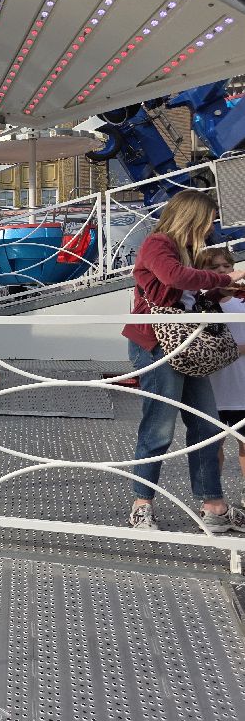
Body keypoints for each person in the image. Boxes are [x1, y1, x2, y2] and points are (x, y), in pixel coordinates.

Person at [122, 190, 245, 532]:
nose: (210, 228)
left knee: (206, 425)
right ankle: (142, 505)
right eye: (208, 221)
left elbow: (186, 298)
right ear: (192, 217)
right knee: (159, 427)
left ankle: (213, 506)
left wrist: (221, 292)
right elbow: (173, 278)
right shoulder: (158, 244)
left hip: (187, 344)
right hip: (157, 345)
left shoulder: (186, 251)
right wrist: (226, 278)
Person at [195, 247, 245, 504]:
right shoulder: (201, 302)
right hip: (212, 387)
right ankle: (213, 498)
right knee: (213, 446)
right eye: (214, 268)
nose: (223, 271)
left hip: (241, 386)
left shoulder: (242, 300)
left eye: (227, 266)